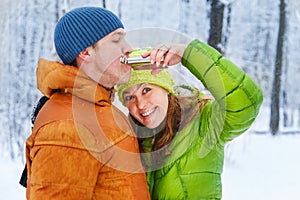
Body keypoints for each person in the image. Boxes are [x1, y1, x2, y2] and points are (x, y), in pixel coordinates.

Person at [25, 7, 150, 200]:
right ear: (85, 52)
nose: (128, 48)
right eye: (116, 40)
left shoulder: (99, 108)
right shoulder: (68, 126)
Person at [117, 40, 263, 199]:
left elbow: (247, 102)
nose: (140, 104)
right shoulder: (132, 140)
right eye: (130, 97)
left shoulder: (202, 121)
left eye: (146, 90)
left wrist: (189, 54)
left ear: (166, 89)